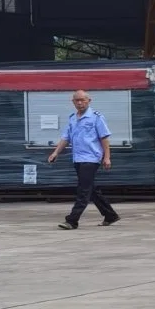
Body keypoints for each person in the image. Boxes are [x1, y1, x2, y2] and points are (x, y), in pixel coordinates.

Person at [46, 90, 119, 229]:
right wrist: (55, 153)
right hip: (78, 158)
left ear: (89, 101)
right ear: (73, 102)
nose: (80, 103)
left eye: (82, 100)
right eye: (77, 100)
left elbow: (104, 138)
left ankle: (72, 220)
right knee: (91, 189)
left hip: (91, 158)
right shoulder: (73, 118)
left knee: (83, 190)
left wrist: (107, 157)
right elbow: (65, 138)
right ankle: (110, 215)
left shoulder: (96, 117)